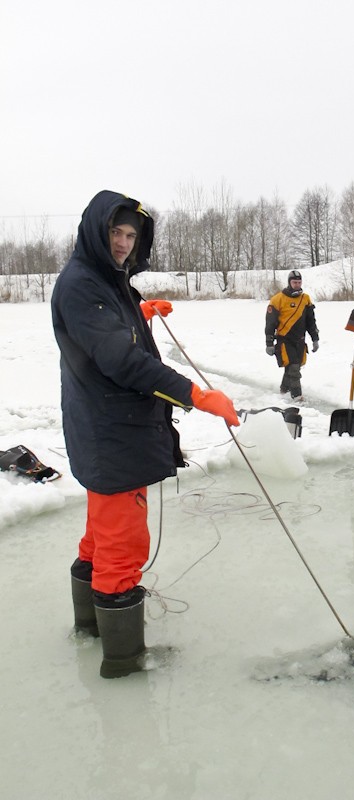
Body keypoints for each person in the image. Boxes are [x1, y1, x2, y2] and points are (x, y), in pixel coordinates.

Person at [51, 190, 240, 679]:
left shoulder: (104, 282)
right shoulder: (82, 285)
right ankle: (124, 661)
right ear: (96, 230)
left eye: (131, 235)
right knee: (123, 545)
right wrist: (194, 395)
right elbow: (120, 359)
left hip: (106, 429)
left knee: (99, 537)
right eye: (116, 232)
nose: (122, 243)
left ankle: (91, 630)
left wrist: (138, 313)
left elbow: (108, 332)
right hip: (112, 432)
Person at [265, 270, 320, 401]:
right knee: (294, 367)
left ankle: (284, 391)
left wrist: (315, 339)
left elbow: (311, 321)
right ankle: (297, 396)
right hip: (285, 340)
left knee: (293, 366)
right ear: (289, 283)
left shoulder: (305, 299)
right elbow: (270, 323)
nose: (297, 285)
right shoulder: (277, 299)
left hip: (300, 340)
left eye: (299, 282)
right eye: (294, 282)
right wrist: (269, 343)